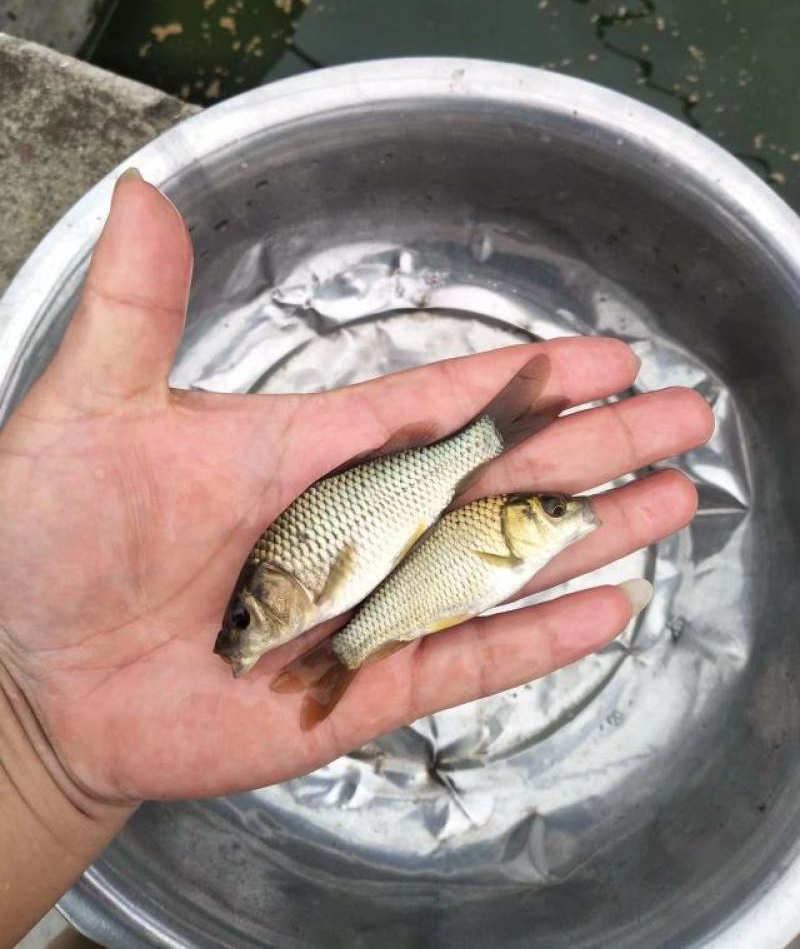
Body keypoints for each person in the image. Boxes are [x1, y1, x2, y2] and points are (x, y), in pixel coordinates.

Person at [0, 172, 713, 945]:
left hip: (412, 499)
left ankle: (497, 435)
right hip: (401, 525)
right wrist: (34, 741)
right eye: (242, 622)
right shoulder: (303, 595)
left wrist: (33, 746)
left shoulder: (326, 574)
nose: (240, 630)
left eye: (243, 618)